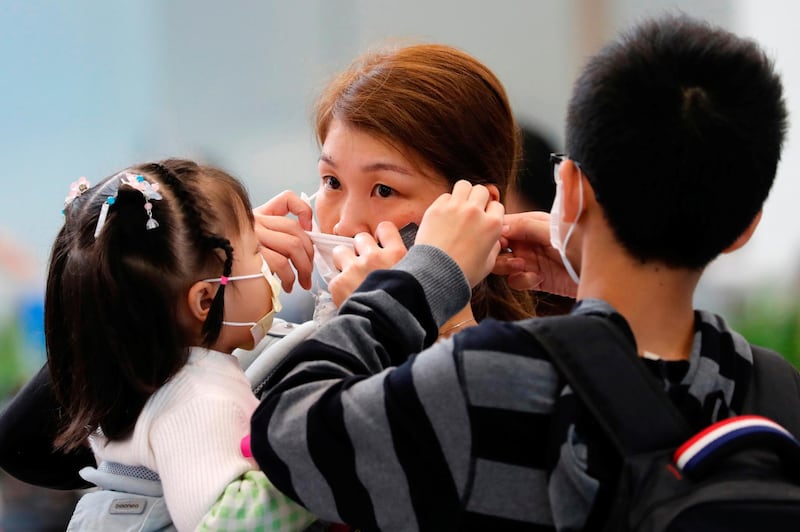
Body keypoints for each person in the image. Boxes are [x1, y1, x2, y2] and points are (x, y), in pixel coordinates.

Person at [249, 14, 793, 531]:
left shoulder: (490, 379)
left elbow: (286, 434)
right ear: (746, 227)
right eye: (329, 180)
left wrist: (410, 294)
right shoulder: (772, 389)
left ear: (570, 190)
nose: (343, 218)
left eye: (385, 189)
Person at [45, 160, 314, 531]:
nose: (268, 262)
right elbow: (226, 524)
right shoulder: (196, 400)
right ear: (205, 300)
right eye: (256, 250)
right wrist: (326, 453)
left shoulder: (143, 370)